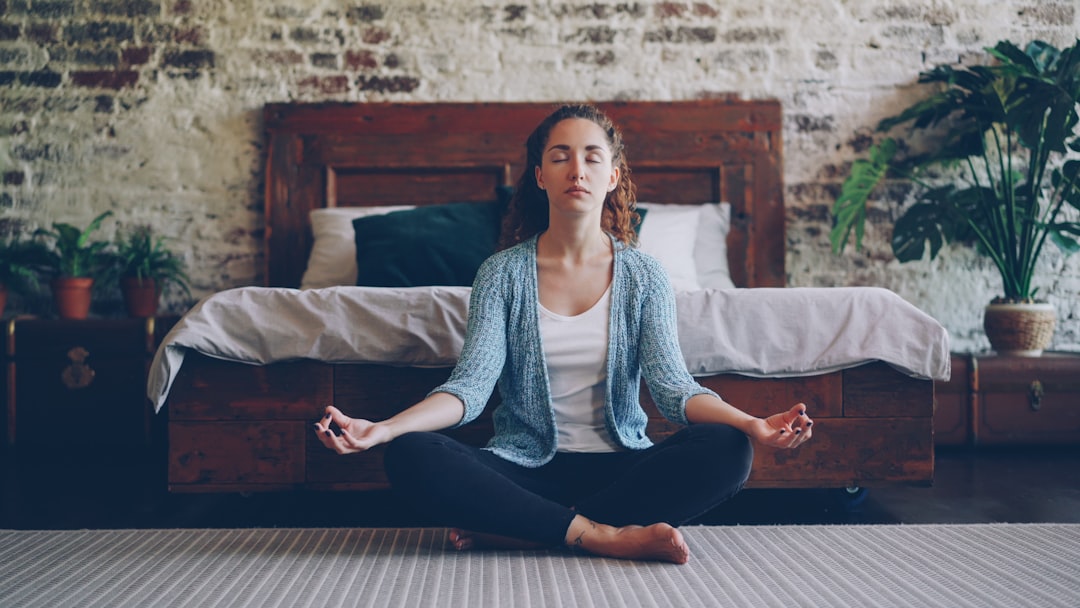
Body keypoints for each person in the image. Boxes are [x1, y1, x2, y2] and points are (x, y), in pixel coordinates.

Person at [314, 104, 813, 564]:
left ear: (612, 176)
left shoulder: (645, 276)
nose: (577, 169)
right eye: (561, 157)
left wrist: (752, 424)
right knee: (410, 454)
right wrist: (384, 429)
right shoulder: (501, 274)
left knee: (728, 448)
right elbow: (469, 389)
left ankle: (526, 529)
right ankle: (603, 535)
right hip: (521, 471)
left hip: (620, 469)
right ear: (539, 176)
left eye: (593, 158)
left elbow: (675, 390)